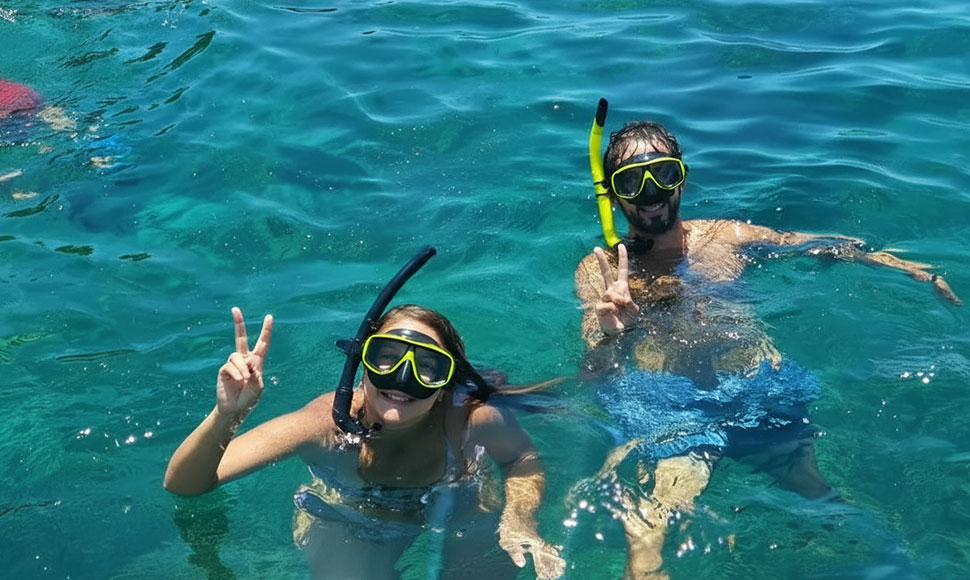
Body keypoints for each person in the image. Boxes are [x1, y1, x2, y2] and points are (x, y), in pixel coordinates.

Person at [574, 109, 962, 579]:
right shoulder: (598, 272)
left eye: (663, 174)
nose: (651, 194)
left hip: (758, 384)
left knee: (824, 499)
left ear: (682, 179)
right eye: (633, 182)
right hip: (672, 405)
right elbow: (593, 372)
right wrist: (614, 332)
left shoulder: (726, 236)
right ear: (612, 194)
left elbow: (827, 244)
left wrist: (913, 270)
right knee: (653, 534)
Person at [164, 304, 566, 580]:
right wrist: (226, 416)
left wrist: (520, 518)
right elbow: (185, 484)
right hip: (351, 515)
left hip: (459, 502)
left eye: (427, 366)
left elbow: (521, 458)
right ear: (361, 364)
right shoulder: (322, 427)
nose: (403, 379)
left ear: (445, 383)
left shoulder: (469, 421)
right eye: (386, 357)